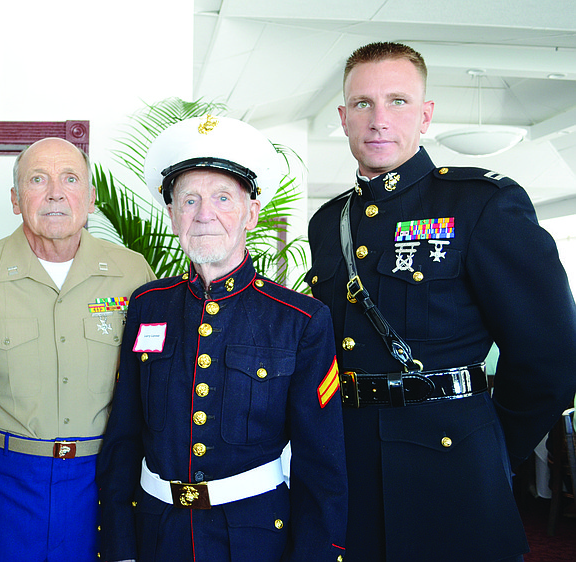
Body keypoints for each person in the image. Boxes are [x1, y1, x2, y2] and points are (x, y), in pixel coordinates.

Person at [307, 41, 576, 561]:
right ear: (343, 118)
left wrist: (496, 446)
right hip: (349, 463)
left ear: (426, 115)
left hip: (452, 465)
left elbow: (553, 354)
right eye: (363, 103)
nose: (379, 120)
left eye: (398, 102)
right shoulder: (328, 223)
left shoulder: (480, 204)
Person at [97, 116, 348, 562]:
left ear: (251, 212)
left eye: (222, 198)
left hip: (254, 539)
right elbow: (123, 438)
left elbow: (321, 465)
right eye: (188, 200)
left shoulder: (300, 320)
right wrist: (119, 547)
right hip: (158, 536)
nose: (204, 214)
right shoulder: (148, 306)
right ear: (172, 215)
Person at [0, 137, 155, 562]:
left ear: (90, 198)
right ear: (16, 200)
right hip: (3, 480)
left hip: (102, 478)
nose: (55, 192)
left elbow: (155, 390)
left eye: (70, 178)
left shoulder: (133, 273)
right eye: (38, 179)